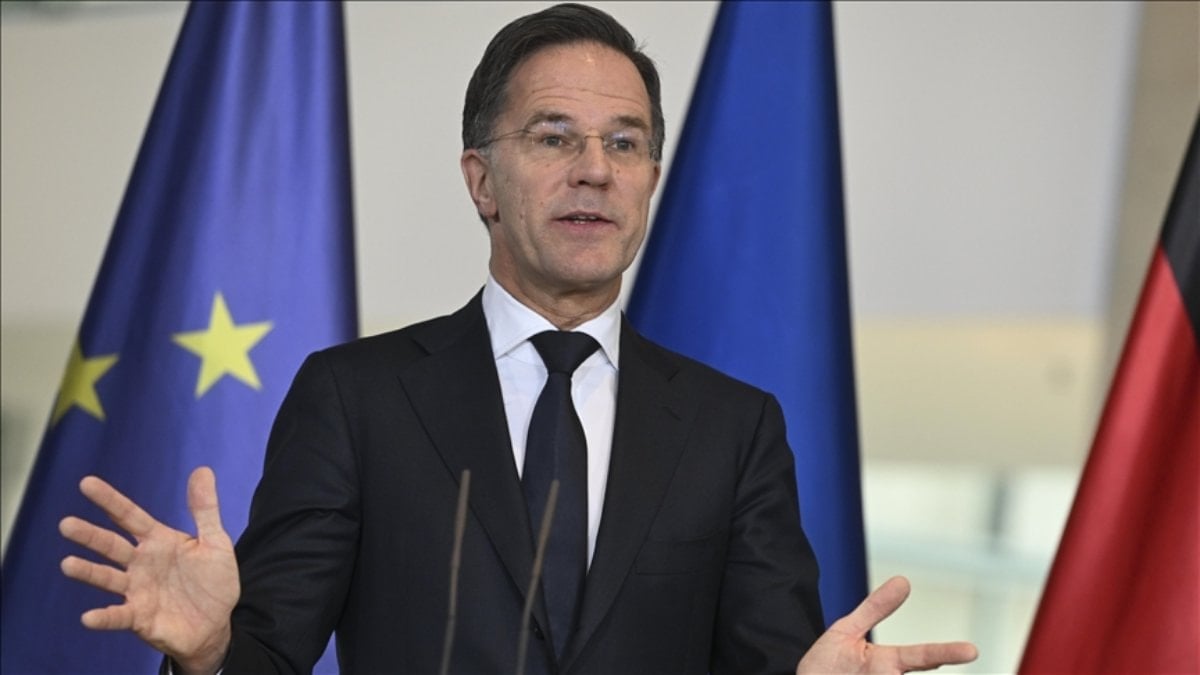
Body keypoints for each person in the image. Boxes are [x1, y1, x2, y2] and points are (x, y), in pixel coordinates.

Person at [58, 4, 978, 674]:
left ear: (651, 180)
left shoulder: (734, 429)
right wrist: (212, 651)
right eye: (554, 138)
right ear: (481, 180)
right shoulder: (357, 398)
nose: (595, 170)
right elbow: (269, 654)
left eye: (625, 144)